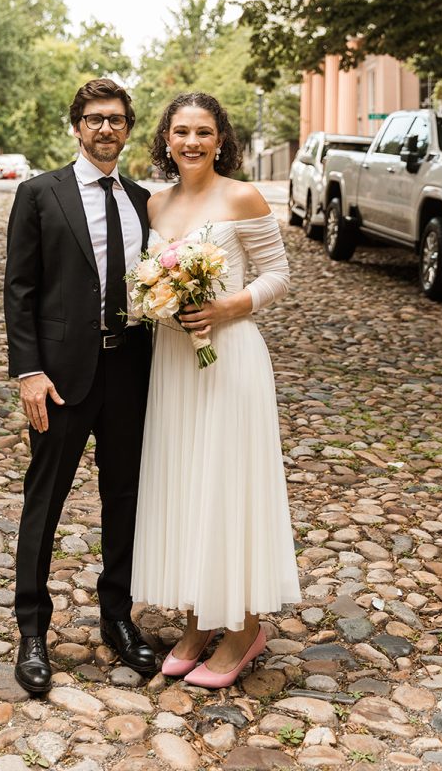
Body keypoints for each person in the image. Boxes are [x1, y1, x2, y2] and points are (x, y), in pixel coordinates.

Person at [131, 91, 301, 688]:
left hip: (230, 360)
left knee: (229, 485)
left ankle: (244, 630)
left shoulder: (241, 196)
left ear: (221, 139)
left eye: (204, 132)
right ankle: (198, 624)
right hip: (175, 363)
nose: (192, 142)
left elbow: (279, 274)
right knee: (188, 483)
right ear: (166, 139)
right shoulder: (155, 204)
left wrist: (228, 305)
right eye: (181, 132)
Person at [4, 78, 156, 694]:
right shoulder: (40, 194)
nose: (105, 129)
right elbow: (20, 290)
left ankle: (116, 617)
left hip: (131, 371)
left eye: (116, 119)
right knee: (46, 499)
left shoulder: (145, 200)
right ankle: (32, 631)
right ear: (76, 126)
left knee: (124, 499)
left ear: (128, 127)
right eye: (94, 119)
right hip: (62, 378)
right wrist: (29, 371)